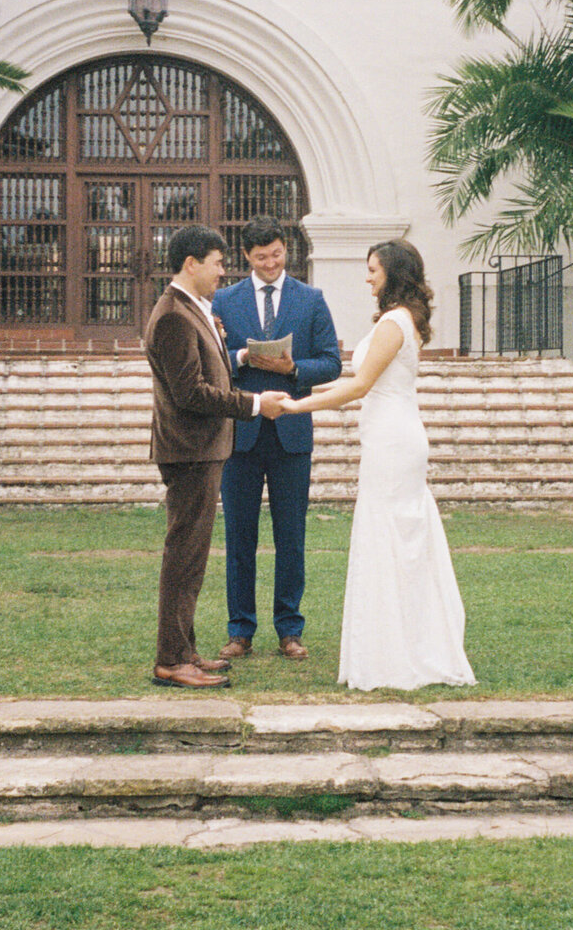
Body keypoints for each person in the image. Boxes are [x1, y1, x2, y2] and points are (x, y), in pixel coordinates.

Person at [277, 239, 474, 691]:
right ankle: (396, 642)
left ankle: (396, 651)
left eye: (373, 270)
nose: (366, 277)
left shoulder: (393, 323)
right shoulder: (399, 320)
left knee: (391, 538)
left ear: (392, 275)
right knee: (392, 537)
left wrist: (297, 407)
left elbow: (359, 385)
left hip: (394, 442)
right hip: (392, 436)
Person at [144, 223, 285, 689]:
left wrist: (234, 355)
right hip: (189, 451)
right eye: (218, 262)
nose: (224, 272)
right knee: (183, 556)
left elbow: (210, 369)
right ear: (191, 263)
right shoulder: (172, 316)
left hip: (203, 450)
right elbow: (191, 393)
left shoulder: (193, 310)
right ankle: (170, 659)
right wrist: (252, 405)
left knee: (193, 557)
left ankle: (185, 650)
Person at [212, 215, 340, 661]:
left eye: (278, 254)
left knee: (291, 535)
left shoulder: (311, 299)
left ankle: (290, 629)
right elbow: (210, 358)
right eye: (262, 256)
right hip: (241, 434)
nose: (271, 263)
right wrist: (242, 355)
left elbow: (332, 363)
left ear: (287, 250)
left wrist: (293, 370)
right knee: (239, 535)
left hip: (291, 433)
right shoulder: (224, 300)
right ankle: (239, 630)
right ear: (245, 256)